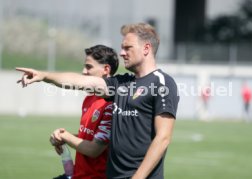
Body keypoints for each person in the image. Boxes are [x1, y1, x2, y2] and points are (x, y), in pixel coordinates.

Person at [16, 23, 179, 179]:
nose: (122, 53)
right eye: (122, 48)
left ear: (146, 48)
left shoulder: (162, 83)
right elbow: (80, 82)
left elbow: (163, 138)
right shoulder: (121, 83)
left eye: (127, 47)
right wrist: (44, 76)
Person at [50, 45, 119, 179]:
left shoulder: (111, 105)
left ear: (106, 69)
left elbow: (94, 150)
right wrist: (63, 137)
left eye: (89, 67)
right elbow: (88, 137)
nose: (83, 71)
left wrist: (66, 138)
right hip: (79, 174)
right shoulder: (90, 98)